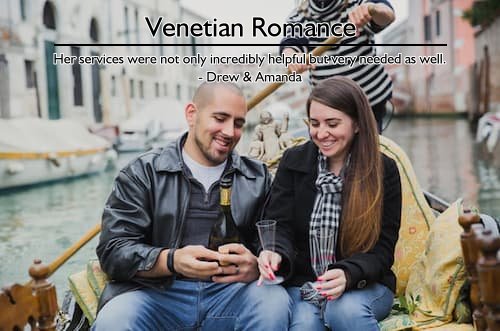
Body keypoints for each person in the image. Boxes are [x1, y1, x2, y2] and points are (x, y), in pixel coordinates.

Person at [93, 82, 291, 331]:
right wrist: (171, 260)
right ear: (191, 114)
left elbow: (275, 239)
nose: (230, 132)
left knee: (274, 303)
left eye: (238, 123)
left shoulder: (258, 177)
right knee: (115, 320)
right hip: (157, 294)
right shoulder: (142, 173)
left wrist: (256, 264)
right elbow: (113, 250)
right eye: (220, 118)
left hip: (231, 295)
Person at [258, 76, 402, 331]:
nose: (321, 133)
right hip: (305, 284)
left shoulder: (383, 170)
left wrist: (348, 274)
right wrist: (275, 252)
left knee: (344, 310)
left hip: (365, 284)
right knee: (304, 327)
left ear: (357, 124)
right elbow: (280, 226)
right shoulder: (293, 161)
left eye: (332, 124)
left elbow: (383, 249)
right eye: (314, 123)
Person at [281, 0, 396, 132]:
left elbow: (387, 15)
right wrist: (292, 58)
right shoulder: (300, 17)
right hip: (329, 105)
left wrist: (372, 9)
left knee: (366, 149)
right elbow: (290, 45)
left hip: (369, 101)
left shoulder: (357, 3)